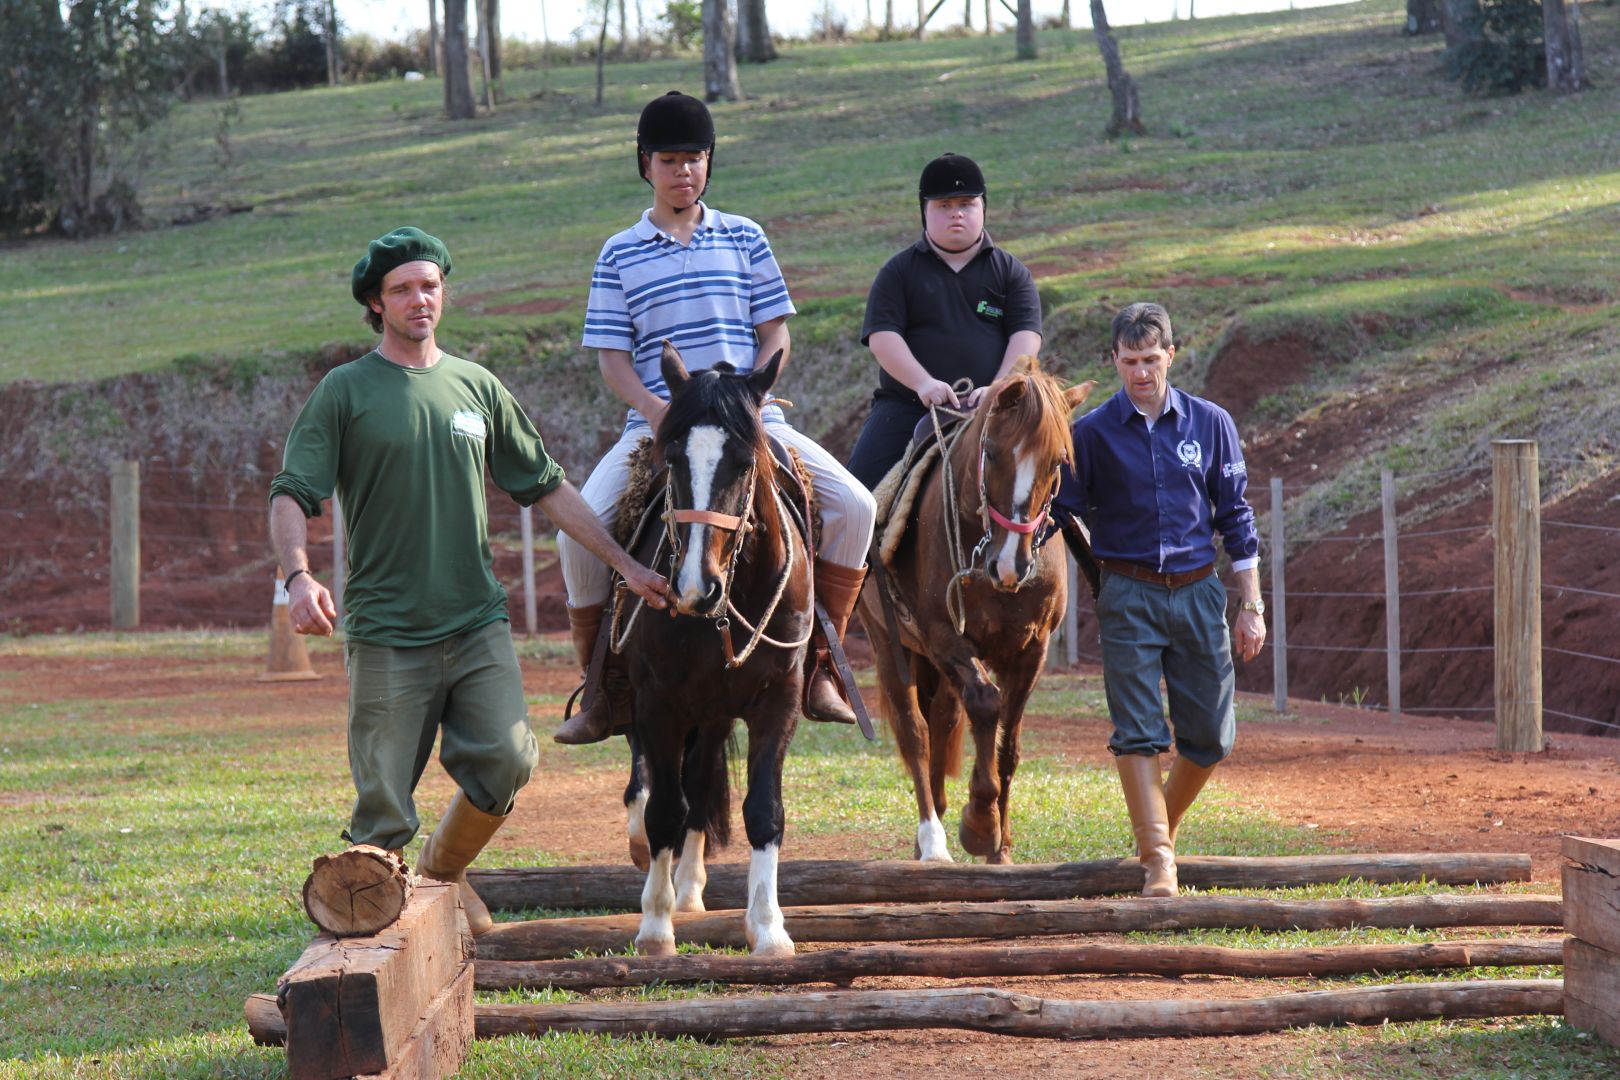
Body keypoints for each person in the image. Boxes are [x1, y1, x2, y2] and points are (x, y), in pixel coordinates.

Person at [269, 226, 670, 934]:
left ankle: (444, 873)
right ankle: (374, 946)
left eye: (429, 285)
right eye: (401, 289)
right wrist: (298, 577)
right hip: (389, 630)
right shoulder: (345, 391)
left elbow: (546, 486)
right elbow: (290, 492)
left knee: (508, 761)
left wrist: (627, 565)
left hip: (475, 622)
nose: (419, 299)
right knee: (382, 809)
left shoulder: (477, 387)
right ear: (376, 302)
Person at [553, 90, 877, 744]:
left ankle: (818, 667)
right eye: (670, 160)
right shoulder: (619, 253)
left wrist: (751, 400)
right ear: (645, 164)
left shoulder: (745, 236)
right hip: (658, 430)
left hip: (751, 423)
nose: (684, 172)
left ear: (709, 164)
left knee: (858, 508)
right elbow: (613, 360)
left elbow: (775, 334)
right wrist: (655, 409)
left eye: (695, 159)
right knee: (572, 535)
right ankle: (603, 688)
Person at [1053, 302, 1266, 897]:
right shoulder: (1089, 434)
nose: (1141, 372)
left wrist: (1251, 605)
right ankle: (1159, 865)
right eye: (1129, 362)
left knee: (1212, 738)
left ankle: (1156, 837)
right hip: (1127, 594)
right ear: (1115, 361)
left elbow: (1237, 518)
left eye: (1151, 359)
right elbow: (1061, 510)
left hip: (1200, 593)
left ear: (1172, 354)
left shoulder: (1212, 423)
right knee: (1139, 730)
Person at [846, 153, 1044, 492]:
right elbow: (882, 336)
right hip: (908, 410)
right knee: (855, 497)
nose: (957, 213)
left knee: (1060, 478)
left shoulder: (1011, 272)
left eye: (967, 203)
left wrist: (999, 387)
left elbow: (1026, 336)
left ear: (984, 208)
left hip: (999, 409)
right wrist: (923, 384)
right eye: (944, 205)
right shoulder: (898, 272)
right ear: (924, 210)